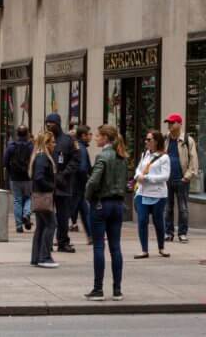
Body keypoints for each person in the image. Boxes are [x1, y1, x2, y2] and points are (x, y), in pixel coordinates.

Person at [84, 124, 129, 301]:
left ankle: (98, 289)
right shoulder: (122, 157)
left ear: (105, 138)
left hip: (102, 203)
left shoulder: (103, 156)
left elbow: (93, 181)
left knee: (99, 246)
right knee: (115, 247)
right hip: (118, 204)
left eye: (98, 135)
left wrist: (88, 197)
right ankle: (117, 289)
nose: (95, 138)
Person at [132, 129, 170, 259]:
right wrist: (138, 175)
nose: (146, 142)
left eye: (149, 140)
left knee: (158, 221)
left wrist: (148, 178)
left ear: (156, 141)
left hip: (158, 194)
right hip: (142, 192)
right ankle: (144, 250)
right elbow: (139, 169)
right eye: (146, 139)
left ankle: (161, 247)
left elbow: (165, 176)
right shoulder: (145, 154)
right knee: (142, 220)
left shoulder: (164, 157)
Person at [44, 113, 79, 253]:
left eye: (51, 123)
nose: (48, 126)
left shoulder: (68, 141)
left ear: (57, 124)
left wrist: (64, 174)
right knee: (47, 215)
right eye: (47, 123)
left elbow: (76, 160)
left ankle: (63, 241)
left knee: (63, 216)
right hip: (47, 184)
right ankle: (46, 242)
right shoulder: (44, 139)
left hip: (63, 184)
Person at [163, 113, 199, 243]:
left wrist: (187, 177)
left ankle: (182, 233)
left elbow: (194, 162)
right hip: (167, 179)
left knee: (183, 208)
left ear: (179, 124)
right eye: (168, 123)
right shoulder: (165, 138)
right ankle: (168, 233)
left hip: (181, 180)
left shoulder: (187, 140)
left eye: (172, 123)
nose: (169, 125)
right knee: (168, 207)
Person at [29, 130, 58, 269]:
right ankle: (44, 256)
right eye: (52, 142)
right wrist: (52, 186)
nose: (55, 144)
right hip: (43, 196)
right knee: (51, 224)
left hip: (40, 195)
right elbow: (39, 177)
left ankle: (36, 257)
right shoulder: (42, 158)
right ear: (46, 143)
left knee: (41, 226)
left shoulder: (39, 156)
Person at [3, 125, 34, 233]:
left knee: (17, 200)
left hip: (15, 178)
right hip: (28, 177)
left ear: (17, 134)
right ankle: (26, 214)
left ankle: (19, 225)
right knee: (28, 198)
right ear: (27, 134)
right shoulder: (31, 146)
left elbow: (5, 161)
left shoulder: (11, 146)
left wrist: (10, 171)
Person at [70, 125, 93, 243]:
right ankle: (58, 237)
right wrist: (87, 180)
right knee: (68, 212)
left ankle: (91, 236)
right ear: (83, 136)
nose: (91, 137)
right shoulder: (82, 149)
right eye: (90, 134)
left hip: (77, 186)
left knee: (85, 210)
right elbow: (83, 169)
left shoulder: (79, 146)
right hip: (77, 186)